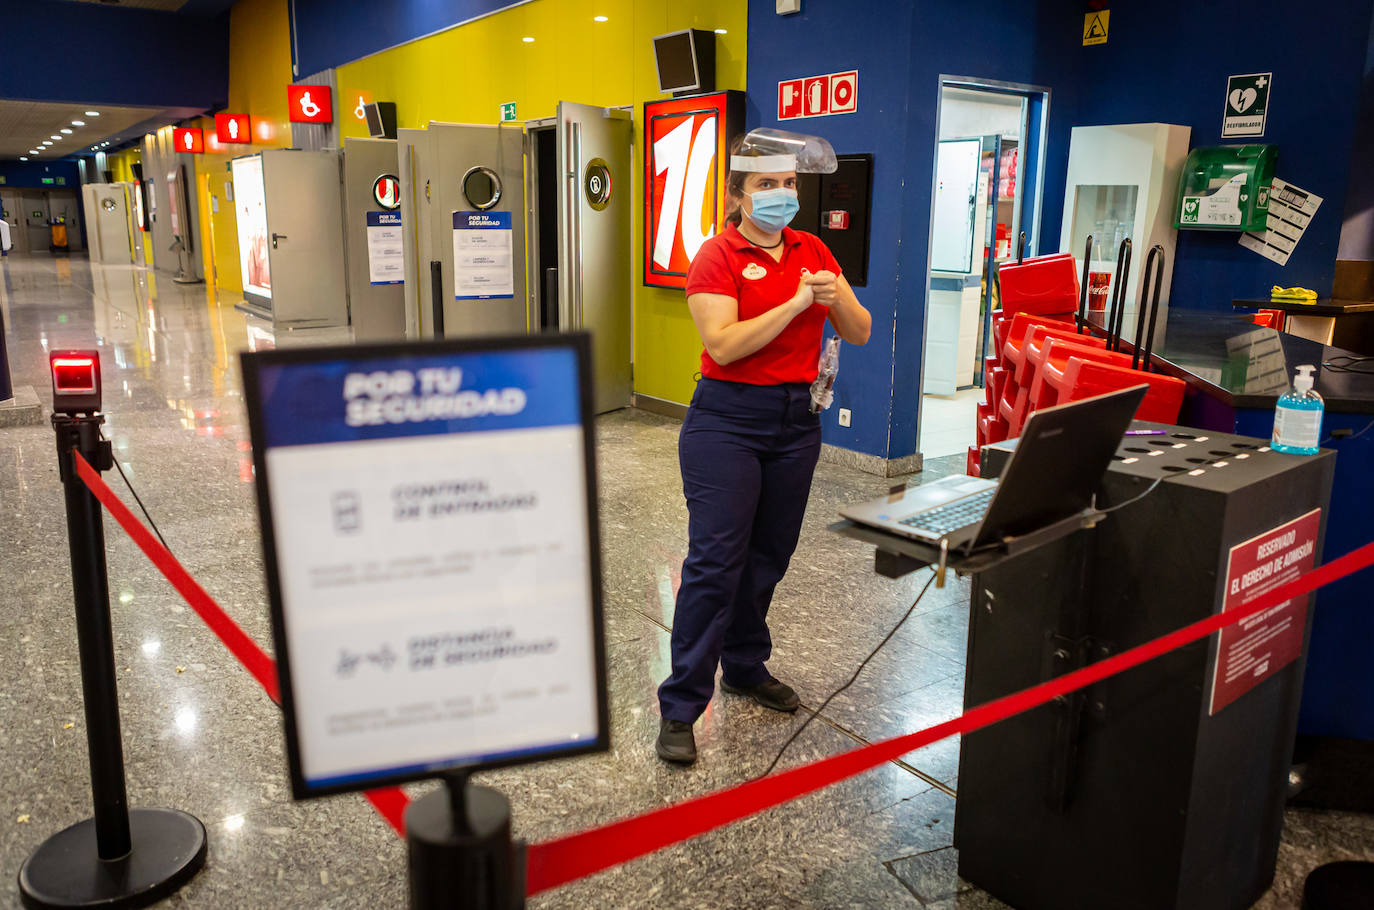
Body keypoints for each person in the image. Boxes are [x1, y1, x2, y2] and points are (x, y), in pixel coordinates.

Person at [656, 129, 872, 765]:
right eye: (766, 186)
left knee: (769, 553)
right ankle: (681, 706)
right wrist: (798, 301)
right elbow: (723, 345)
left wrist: (835, 298)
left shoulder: (812, 248)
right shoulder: (716, 257)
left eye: (788, 185)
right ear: (740, 195)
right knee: (715, 561)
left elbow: (856, 333)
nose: (781, 195)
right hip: (726, 420)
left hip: (794, 422)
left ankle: (745, 666)